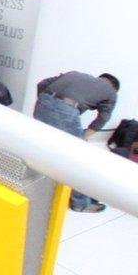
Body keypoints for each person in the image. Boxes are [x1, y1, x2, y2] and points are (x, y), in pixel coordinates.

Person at [33, 71, 119, 212]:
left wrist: (49, 105)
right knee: (80, 158)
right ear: (113, 87)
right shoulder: (111, 92)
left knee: (48, 147)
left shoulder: (75, 74)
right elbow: (103, 118)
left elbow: (42, 84)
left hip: (42, 103)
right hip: (66, 111)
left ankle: (42, 186)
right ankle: (80, 202)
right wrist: (85, 135)